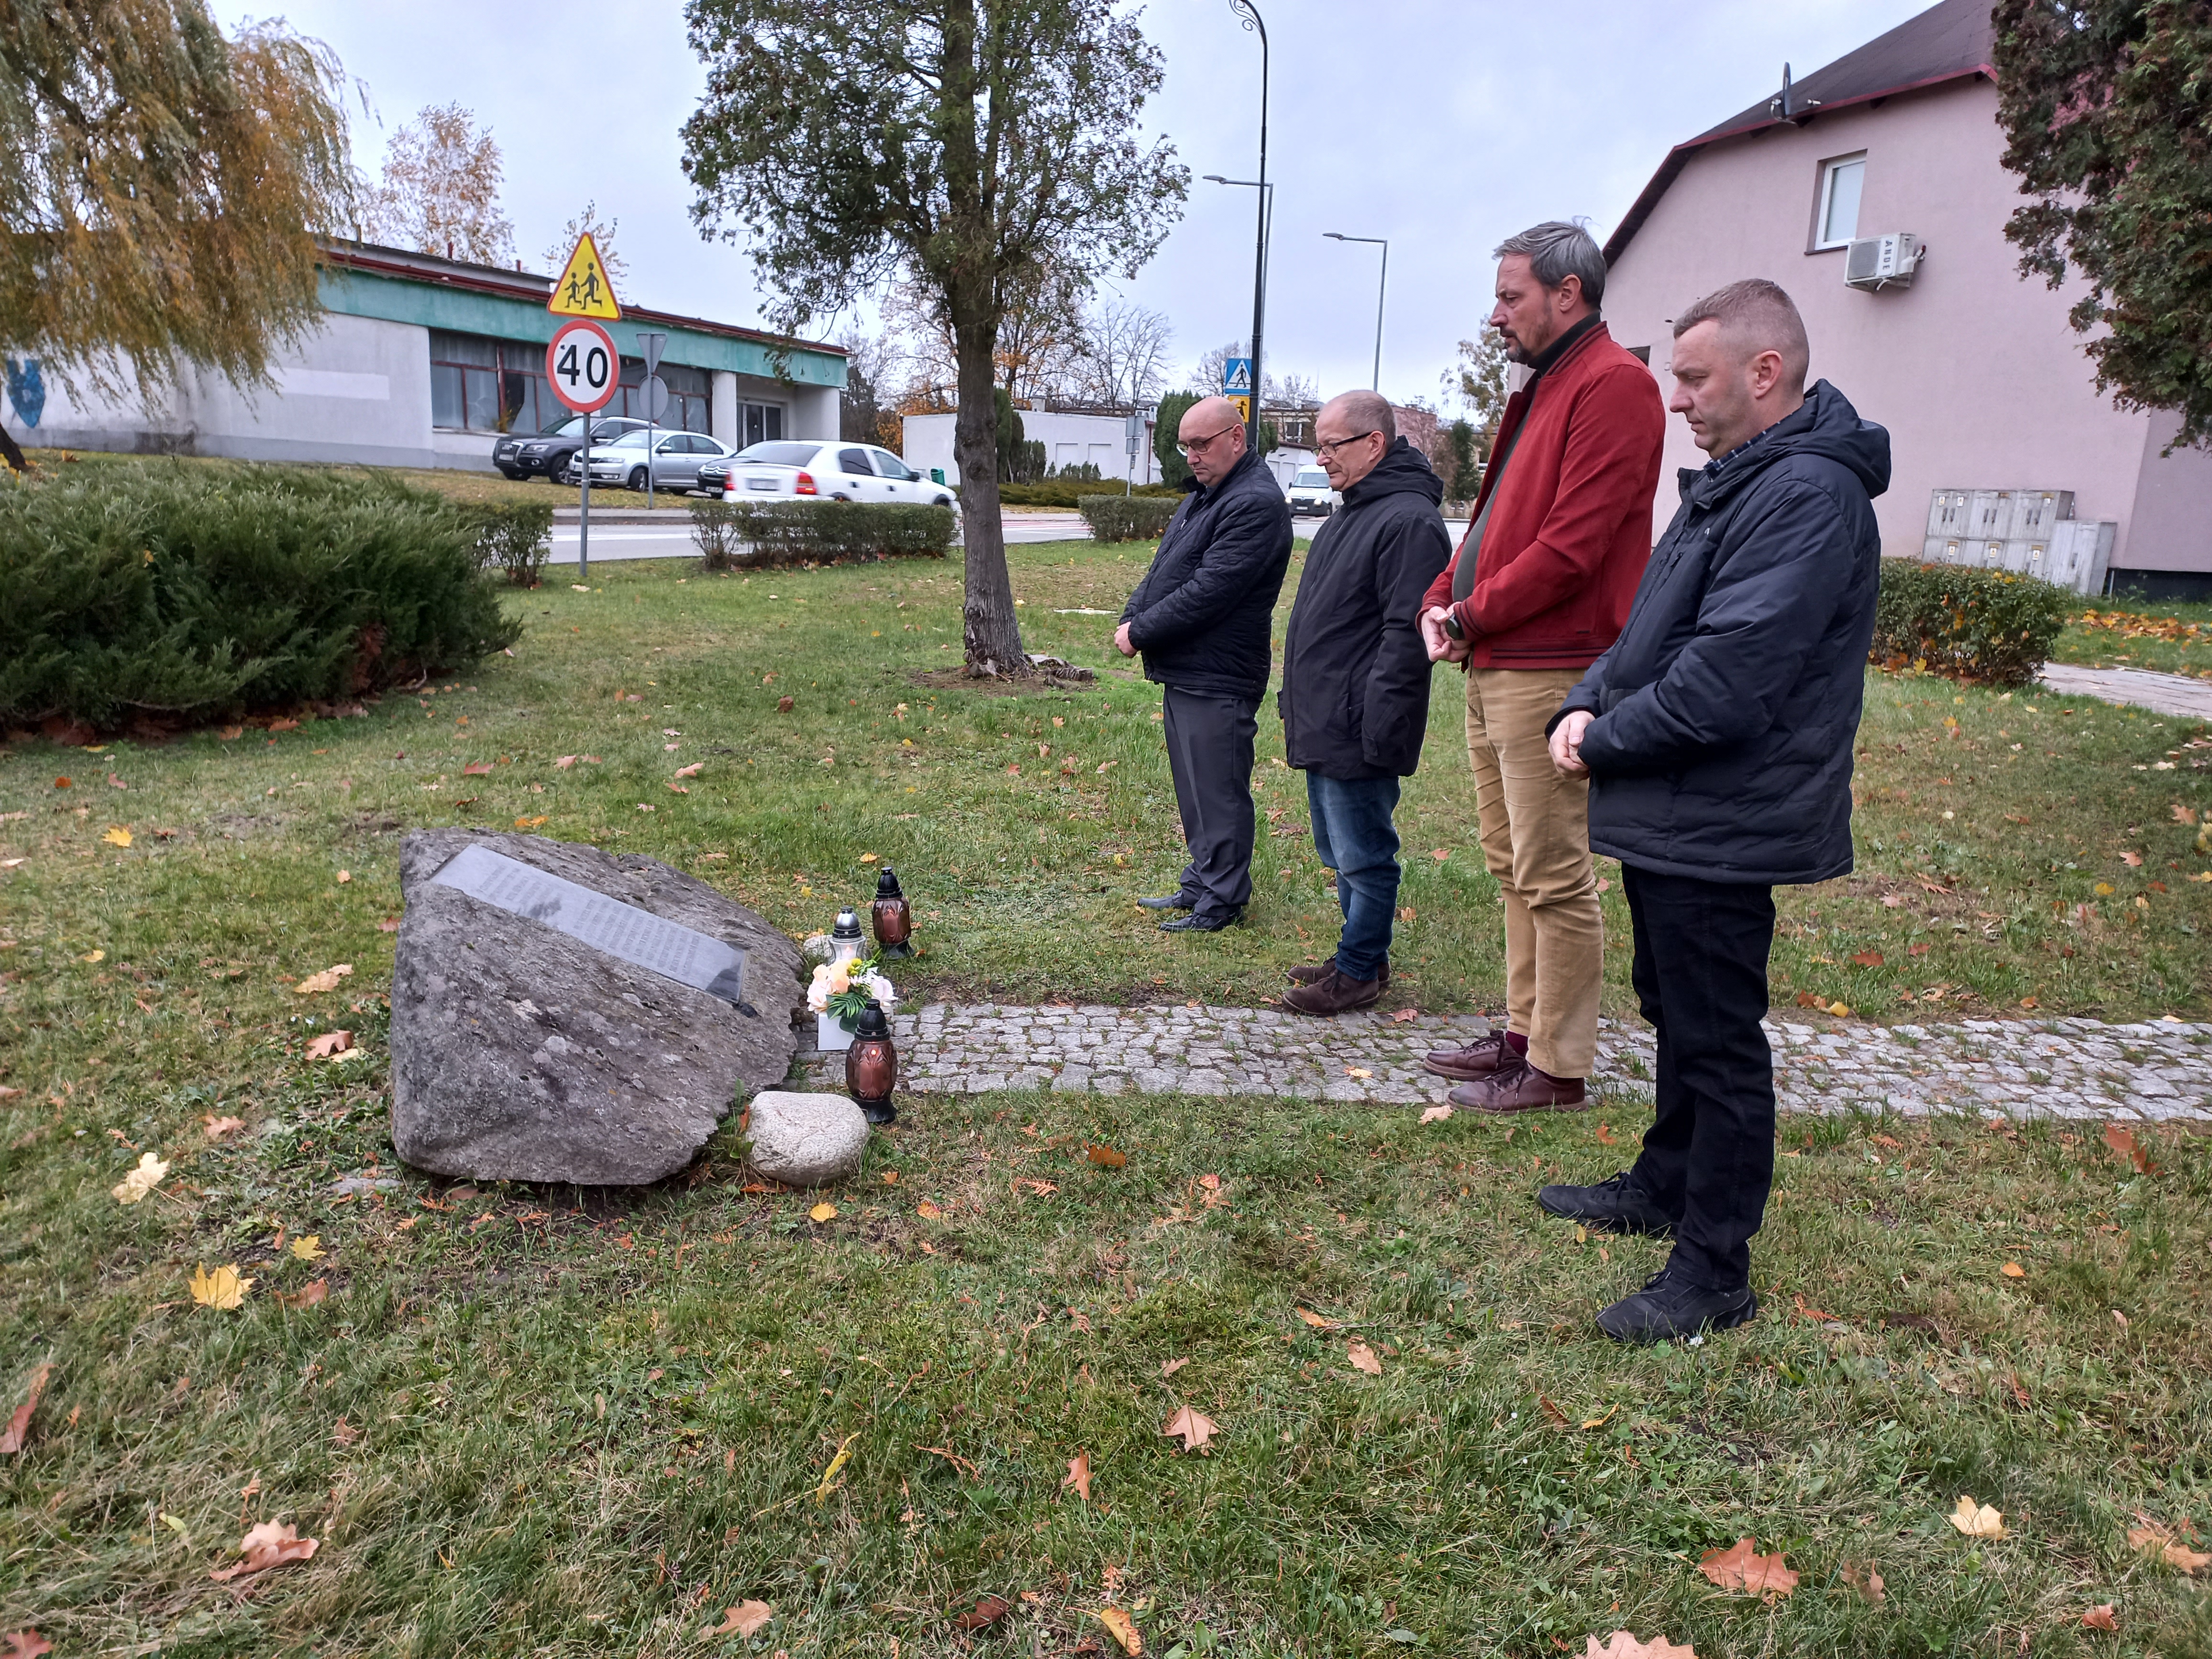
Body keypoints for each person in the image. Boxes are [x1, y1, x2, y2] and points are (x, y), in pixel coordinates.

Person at [1540, 278, 1889, 1343]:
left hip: (1724, 814)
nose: (1677, 398)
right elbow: (1650, 631)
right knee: (1674, 1009)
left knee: (1717, 1036)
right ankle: (1663, 1182)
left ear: (1763, 371)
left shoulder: (1805, 496)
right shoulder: (1735, 482)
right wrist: (1584, 696)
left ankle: (1713, 1269)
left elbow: (1729, 679)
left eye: (1692, 377)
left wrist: (1601, 736)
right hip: (1677, 805)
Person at [1416, 221, 1665, 1110]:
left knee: (1553, 871)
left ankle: (1555, 1065)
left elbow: (1571, 546)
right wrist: (1440, 595)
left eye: (1509, 297)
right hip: (1496, 659)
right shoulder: (1541, 387)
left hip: (1551, 665)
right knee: (1510, 860)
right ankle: (1521, 1031)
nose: (1494, 316)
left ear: (1569, 293)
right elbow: (1487, 525)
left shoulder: (1614, 386)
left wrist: (1470, 612)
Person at [1276, 391, 1453, 1014]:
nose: (1320, 457)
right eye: (1317, 446)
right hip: (1329, 713)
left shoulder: (1407, 521)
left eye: (1331, 445)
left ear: (1373, 443)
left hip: (1361, 721)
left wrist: (1379, 721)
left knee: (1365, 856)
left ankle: (1356, 974)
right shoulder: (1353, 511)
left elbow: (1403, 638)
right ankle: (1363, 954)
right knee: (1337, 850)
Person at [1117, 394, 1294, 932]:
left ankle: (1222, 900)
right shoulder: (1209, 494)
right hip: (1190, 668)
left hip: (1220, 672)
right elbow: (1166, 566)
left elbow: (1208, 590)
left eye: (1201, 444)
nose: (1191, 456)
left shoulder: (1253, 503)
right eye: (1184, 446)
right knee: (1194, 786)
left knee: (1217, 788)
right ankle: (1202, 880)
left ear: (1236, 438)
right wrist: (1133, 612)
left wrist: (1141, 631)